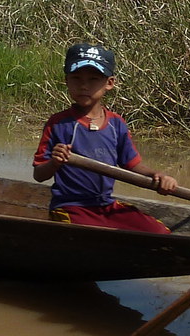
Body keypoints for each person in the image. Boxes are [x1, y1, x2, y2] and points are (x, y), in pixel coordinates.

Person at [32, 43, 180, 233]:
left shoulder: (116, 124)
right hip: (71, 206)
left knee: (160, 233)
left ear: (109, 83)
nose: (84, 86)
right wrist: (55, 162)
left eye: (93, 79)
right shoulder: (58, 124)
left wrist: (157, 175)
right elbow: (39, 175)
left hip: (106, 205)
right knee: (88, 237)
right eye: (76, 78)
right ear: (66, 81)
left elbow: (132, 165)